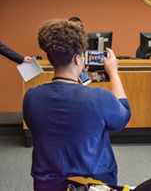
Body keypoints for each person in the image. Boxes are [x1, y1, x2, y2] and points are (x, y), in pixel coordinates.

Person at [23, 19, 131, 191]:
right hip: (93, 184)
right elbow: (122, 118)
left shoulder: (31, 96)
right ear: (77, 59)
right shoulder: (99, 96)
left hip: (47, 184)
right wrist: (114, 74)